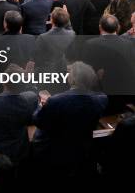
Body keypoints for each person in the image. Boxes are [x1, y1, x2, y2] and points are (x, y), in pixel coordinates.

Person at [31, 62, 108, 191]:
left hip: (52, 152)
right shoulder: (101, 99)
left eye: (69, 73)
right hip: (82, 150)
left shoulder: (55, 101)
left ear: (72, 79)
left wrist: (41, 106)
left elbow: (38, 121)